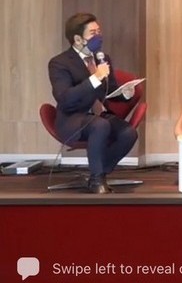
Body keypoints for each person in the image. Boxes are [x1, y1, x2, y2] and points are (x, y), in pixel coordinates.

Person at [47, 12, 139, 194]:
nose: (99, 37)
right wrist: (95, 78)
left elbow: (110, 91)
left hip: (100, 115)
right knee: (100, 125)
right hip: (72, 118)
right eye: (93, 33)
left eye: (99, 32)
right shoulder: (59, 63)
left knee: (128, 133)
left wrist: (126, 93)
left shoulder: (102, 59)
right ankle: (97, 179)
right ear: (78, 39)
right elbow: (65, 98)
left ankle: (100, 171)